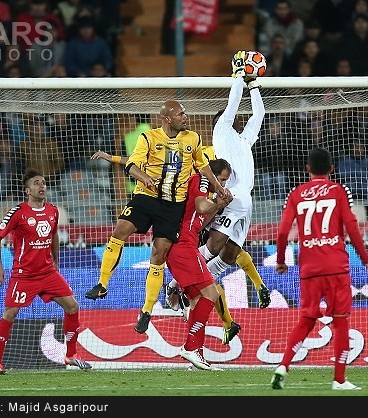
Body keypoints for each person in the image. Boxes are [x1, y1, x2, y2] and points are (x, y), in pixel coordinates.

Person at [84, 100, 231, 337]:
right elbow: (132, 163)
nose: (185, 117)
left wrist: (219, 188)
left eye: (185, 113)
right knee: (121, 229)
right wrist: (142, 177)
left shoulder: (193, 139)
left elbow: (204, 167)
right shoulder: (148, 138)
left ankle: (146, 311)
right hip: (147, 197)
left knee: (158, 255)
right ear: (167, 118)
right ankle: (102, 284)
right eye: (181, 114)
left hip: (172, 206)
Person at [165, 51, 271, 345]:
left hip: (247, 202)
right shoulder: (221, 130)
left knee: (229, 256)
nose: (235, 118)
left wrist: (254, 85)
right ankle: (176, 283)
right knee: (213, 246)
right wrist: (238, 76)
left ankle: (184, 284)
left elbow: (260, 115)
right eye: (231, 117)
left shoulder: (244, 140)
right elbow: (232, 104)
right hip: (230, 197)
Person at [271, 147, 368, 390]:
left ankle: (283, 366)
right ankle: (339, 379)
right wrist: (365, 260)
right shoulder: (338, 191)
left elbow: (283, 231)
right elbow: (351, 226)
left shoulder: (296, 193)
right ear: (331, 168)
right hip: (336, 266)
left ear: (307, 168)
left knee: (306, 319)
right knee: (340, 322)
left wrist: (281, 260)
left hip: (309, 268)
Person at [0, 168, 91, 374]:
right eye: (36, 183)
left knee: (72, 306)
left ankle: (71, 355)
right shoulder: (17, 212)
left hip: (47, 273)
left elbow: (53, 235)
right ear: (27, 190)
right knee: (10, 313)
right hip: (24, 275)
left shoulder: (53, 211)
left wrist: (56, 261)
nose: (41, 186)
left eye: (43, 182)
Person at [167, 158, 233, 369]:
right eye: (222, 179)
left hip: (184, 246)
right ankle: (189, 347)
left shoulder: (205, 190)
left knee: (197, 301)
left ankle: (196, 355)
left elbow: (200, 220)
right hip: (183, 246)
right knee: (211, 294)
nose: (223, 184)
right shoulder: (202, 179)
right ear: (213, 175)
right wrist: (218, 200)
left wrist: (220, 203)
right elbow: (202, 206)